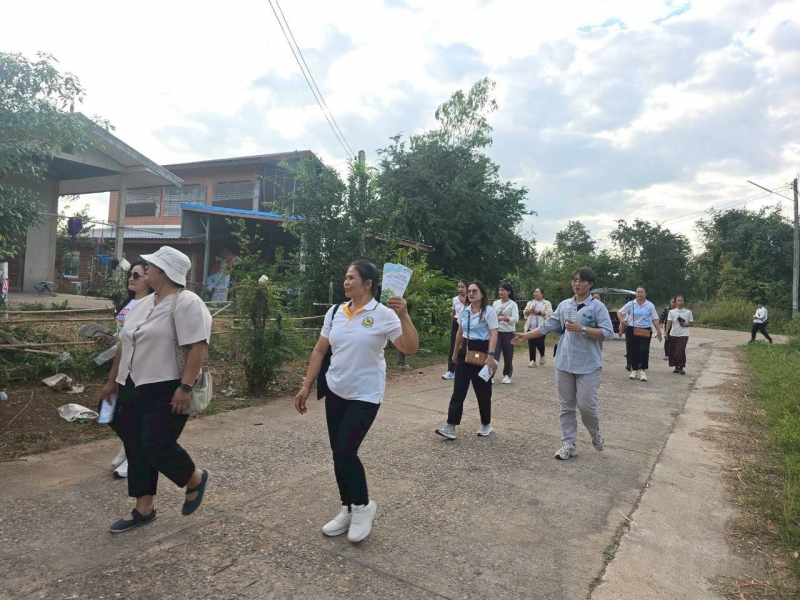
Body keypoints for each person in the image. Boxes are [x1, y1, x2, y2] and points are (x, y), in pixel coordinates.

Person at [295, 261, 419, 543]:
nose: (346, 282)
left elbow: (409, 347)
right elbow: (319, 350)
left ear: (368, 284)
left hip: (365, 395)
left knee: (345, 450)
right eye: (345, 277)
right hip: (336, 390)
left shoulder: (384, 314)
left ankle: (363, 506)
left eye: (352, 278)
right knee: (337, 453)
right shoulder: (336, 312)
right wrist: (306, 385)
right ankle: (347, 508)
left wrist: (404, 316)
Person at [98, 246, 212, 534]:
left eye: (151, 265)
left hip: (167, 387)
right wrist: (112, 382)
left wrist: (185, 387)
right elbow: (125, 345)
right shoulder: (142, 304)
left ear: (164, 271)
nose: (145, 268)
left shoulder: (188, 303)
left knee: (155, 443)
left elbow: (197, 347)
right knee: (135, 446)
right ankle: (143, 509)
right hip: (131, 385)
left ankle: (194, 478)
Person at [512, 267, 614, 460]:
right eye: (574, 280)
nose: (576, 283)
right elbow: (548, 325)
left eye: (581, 280)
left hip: (588, 365)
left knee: (587, 406)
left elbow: (608, 333)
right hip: (564, 362)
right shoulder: (565, 305)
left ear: (590, 284)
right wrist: (526, 335)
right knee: (566, 406)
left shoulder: (597, 307)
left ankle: (595, 432)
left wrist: (582, 329)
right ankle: (568, 444)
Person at [96, 261, 154, 479]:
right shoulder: (129, 302)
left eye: (137, 275)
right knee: (107, 409)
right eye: (130, 274)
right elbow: (123, 334)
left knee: (128, 412)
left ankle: (135, 454)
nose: (131, 278)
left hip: (137, 367)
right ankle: (130, 445)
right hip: (120, 363)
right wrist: (109, 337)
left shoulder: (151, 305)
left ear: (149, 278)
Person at [436, 280, 499, 440]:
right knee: (458, 390)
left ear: (482, 294)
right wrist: (455, 352)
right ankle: (450, 426)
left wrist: (491, 355)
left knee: (483, 391)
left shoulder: (489, 311)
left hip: (482, 352)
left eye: (474, 291)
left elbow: (494, 334)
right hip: (465, 351)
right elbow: (459, 333)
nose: (470, 294)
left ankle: (486, 424)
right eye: (469, 291)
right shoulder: (465, 311)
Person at [617, 287, 662, 382]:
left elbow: (654, 319)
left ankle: (643, 371)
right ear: (635, 294)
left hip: (645, 330)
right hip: (632, 330)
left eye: (642, 292)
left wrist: (659, 332)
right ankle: (634, 370)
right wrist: (622, 321)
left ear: (645, 294)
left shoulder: (650, 305)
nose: (640, 293)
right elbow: (620, 312)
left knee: (644, 350)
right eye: (638, 292)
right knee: (632, 350)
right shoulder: (631, 304)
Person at [492, 283, 519, 384]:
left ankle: (507, 375)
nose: (501, 292)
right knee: (494, 354)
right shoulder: (495, 303)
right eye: (500, 290)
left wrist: (504, 318)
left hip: (508, 333)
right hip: (496, 332)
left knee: (508, 355)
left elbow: (516, 318)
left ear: (508, 292)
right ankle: (490, 375)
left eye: (503, 290)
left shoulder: (513, 304)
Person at [443, 280, 469, 380]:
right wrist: (452, 322)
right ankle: (451, 370)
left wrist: (466, 302)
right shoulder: (455, 299)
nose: (460, 289)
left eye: (462, 287)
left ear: (467, 288)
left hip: (467, 324)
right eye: (459, 287)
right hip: (456, 323)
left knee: (466, 347)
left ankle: (464, 370)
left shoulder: (471, 299)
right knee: (453, 346)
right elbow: (453, 312)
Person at [523, 288, 553, 367]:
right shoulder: (530, 302)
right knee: (531, 344)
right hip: (530, 326)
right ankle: (532, 361)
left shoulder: (546, 303)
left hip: (541, 327)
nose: (535, 293)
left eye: (537, 292)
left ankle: (542, 354)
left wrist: (539, 312)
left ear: (542, 294)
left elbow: (549, 314)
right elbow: (525, 312)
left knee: (540, 342)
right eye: (534, 292)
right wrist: (530, 311)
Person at [665, 295, 693, 374]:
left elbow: (691, 323)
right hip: (673, 333)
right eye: (678, 300)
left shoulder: (688, 312)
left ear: (684, 302)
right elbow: (669, 323)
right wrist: (666, 333)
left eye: (681, 300)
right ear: (675, 302)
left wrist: (684, 324)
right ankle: (676, 366)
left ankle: (681, 366)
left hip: (684, 334)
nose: (680, 302)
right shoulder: (671, 312)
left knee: (680, 350)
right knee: (674, 351)